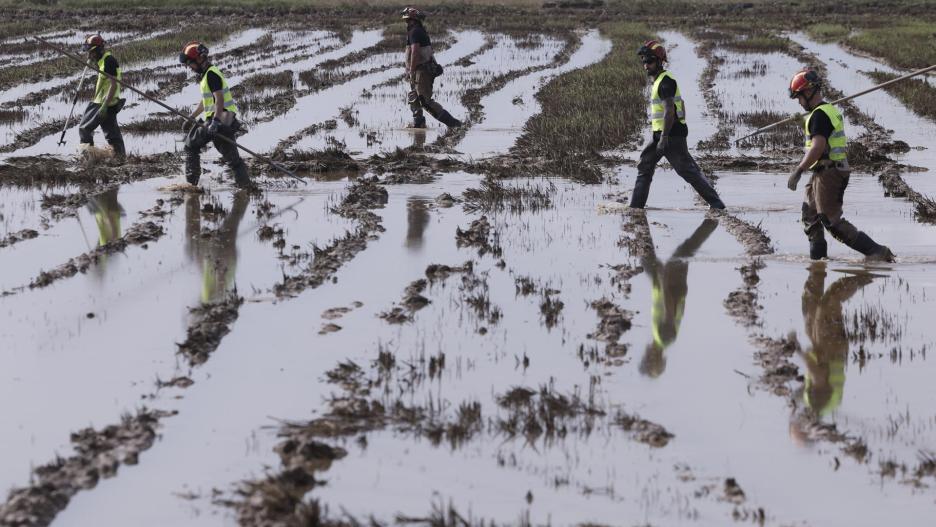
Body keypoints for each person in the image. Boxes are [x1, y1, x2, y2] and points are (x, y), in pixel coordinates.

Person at [786, 68, 894, 262]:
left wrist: (799, 170)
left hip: (830, 172)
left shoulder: (819, 115)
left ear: (809, 92)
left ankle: (877, 252)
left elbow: (818, 147)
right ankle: (817, 264)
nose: (799, 102)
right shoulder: (824, 112)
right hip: (823, 171)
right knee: (810, 217)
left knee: (830, 221)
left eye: (799, 97)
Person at [630, 40, 725, 210]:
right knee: (645, 165)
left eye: (649, 61)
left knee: (687, 171)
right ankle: (635, 208)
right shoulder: (660, 81)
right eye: (644, 61)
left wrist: (665, 138)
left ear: (660, 61)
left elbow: (670, 111)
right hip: (662, 134)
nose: (646, 65)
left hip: (670, 136)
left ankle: (717, 205)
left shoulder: (665, 82)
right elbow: (681, 105)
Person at [638, 216, 718, 377]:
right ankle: (711, 223)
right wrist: (663, 281)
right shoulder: (664, 337)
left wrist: (659, 280)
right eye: (647, 357)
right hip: (672, 286)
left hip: (664, 284)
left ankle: (711, 223)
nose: (644, 353)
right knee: (684, 252)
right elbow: (670, 310)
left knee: (650, 258)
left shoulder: (660, 339)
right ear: (652, 356)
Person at [179, 41, 252, 188]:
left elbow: (219, 99)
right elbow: (207, 101)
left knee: (190, 145)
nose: (190, 68)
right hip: (224, 121)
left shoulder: (211, 75)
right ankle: (246, 188)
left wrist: (216, 121)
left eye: (190, 64)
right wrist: (192, 117)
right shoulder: (208, 74)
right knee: (233, 160)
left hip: (219, 121)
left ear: (199, 60)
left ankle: (191, 186)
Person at [401, 6, 461, 129]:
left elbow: (415, 52)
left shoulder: (415, 31)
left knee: (425, 102)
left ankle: (454, 124)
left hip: (422, 71)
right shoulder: (416, 30)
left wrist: (411, 71)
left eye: (408, 20)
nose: (407, 22)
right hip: (418, 70)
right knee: (414, 99)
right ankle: (419, 124)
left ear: (412, 20)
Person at [78, 34, 126, 160]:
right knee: (112, 135)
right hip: (107, 102)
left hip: (104, 103)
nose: (89, 56)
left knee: (84, 128)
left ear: (98, 50)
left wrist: (104, 106)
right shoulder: (103, 61)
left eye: (91, 53)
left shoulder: (108, 61)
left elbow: (113, 84)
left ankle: (88, 157)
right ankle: (120, 158)